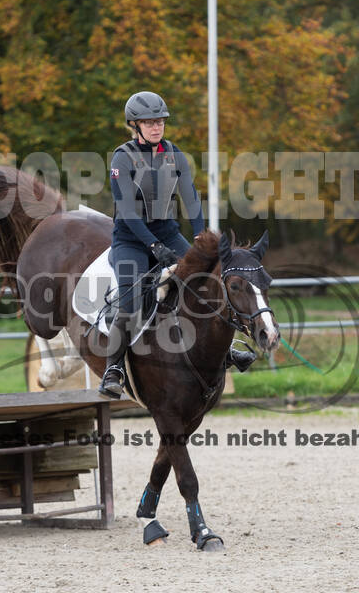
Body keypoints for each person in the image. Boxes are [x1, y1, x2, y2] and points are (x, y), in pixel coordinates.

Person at [99, 91, 255, 398]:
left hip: (168, 232)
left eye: (160, 121)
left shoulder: (174, 153)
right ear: (135, 125)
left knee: (207, 282)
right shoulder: (122, 157)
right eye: (149, 122)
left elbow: (191, 197)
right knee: (131, 301)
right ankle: (113, 368)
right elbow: (128, 212)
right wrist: (154, 247)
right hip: (131, 239)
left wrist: (200, 236)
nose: (156, 127)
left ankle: (228, 351)